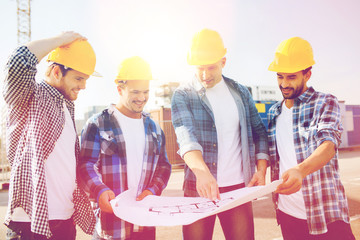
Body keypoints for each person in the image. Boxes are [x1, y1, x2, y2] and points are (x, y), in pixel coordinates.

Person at [171, 28, 269, 240]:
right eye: (200, 69)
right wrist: (202, 173)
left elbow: (259, 132)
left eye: (211, 68)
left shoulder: (241, 92)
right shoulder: (183, 94)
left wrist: (261, 169)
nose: (205, 75)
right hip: (198, 188)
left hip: (237, 189)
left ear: (223, 61)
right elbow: (185, 136)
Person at [3, 32, 98, 239]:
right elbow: (18, 60)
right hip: (30, 222)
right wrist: (61, 40)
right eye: (79, 78)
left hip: (64, 221)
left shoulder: (67, 107)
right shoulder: (29, 97)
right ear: (56, 72)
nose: (83, 86)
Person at [267, 37, 355, 240]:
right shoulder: (274, 112)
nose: (284, 84)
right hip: (288, 215)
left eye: (291, 77)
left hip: (326, 214)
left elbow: (329, 143)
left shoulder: (325, 102)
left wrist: (300, 170)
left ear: (308, 75)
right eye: (280, 77)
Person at [78, 56, 172, 240]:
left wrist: (152, 191)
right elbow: (85, 165)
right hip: (111, 227)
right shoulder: (98, 124)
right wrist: (100, 190)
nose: (142, 98)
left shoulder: (154, 129)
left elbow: (164, 167)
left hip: (144, 224)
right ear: (119, 89)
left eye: (146, 92)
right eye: (135, 92)